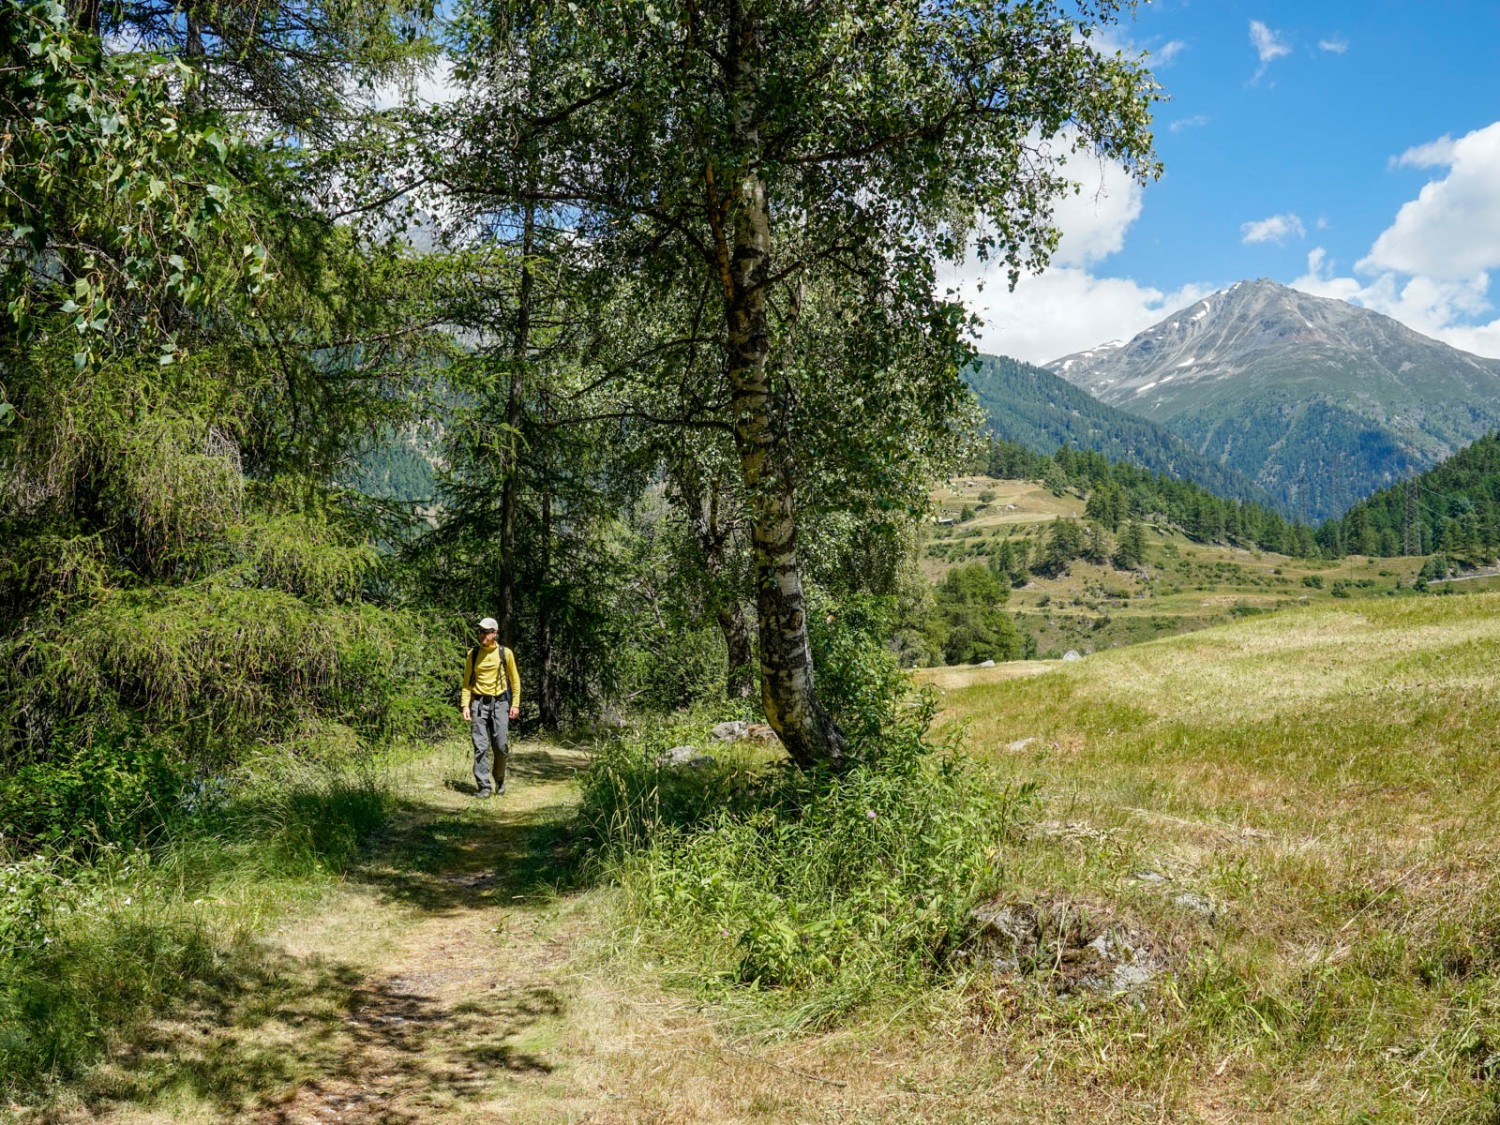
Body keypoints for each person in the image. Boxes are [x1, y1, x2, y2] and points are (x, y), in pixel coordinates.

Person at [460, 617, 521, 798]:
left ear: (495, 633)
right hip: (478, 704)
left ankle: (499, 779)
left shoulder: (505, 653)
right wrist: (465, 705)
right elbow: (466, 683)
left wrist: (515, 704)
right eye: (480, 632)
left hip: (500, 703)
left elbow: (515, 680)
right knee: (480, 746)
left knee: (501, 745)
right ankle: (484, 787)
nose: (482, 635)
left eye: (486, 632)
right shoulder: (473, 653)